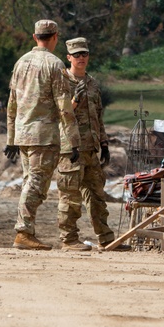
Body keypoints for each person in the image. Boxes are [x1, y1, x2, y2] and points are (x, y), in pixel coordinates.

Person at [4, 20, 80, 250]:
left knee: (30, 181)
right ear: (55, 37)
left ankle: (27, 232)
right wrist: (73, 141)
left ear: (34, 36)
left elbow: (12, 103)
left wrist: (10, 138)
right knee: (37, 184)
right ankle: (23, 232)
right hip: (44, 135)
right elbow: (65, 107)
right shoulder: (55, 65)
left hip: (23, 133)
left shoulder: (21, 62)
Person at [56, 37, 114, 251]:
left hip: (91, 149)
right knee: (70, 197)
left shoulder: (93, 83)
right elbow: (57, 116)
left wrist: (104, 143)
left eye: (84, 54)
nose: (81, 58)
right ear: (68, 57)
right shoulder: (61, 82)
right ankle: (69, 239)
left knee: (97, 196)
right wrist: (73, 102)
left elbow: (98, 116)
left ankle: (106, 238)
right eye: (77, 55)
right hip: (70, 149)